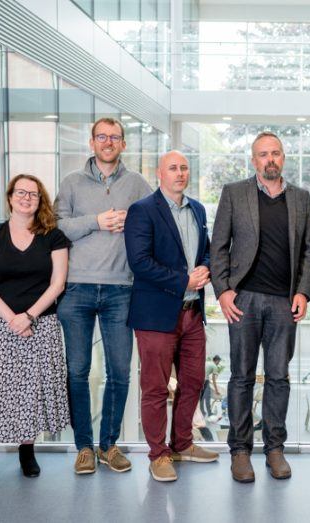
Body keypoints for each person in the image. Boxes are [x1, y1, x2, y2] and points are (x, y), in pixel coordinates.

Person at [210, 131, 310, 483]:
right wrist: (223, 290)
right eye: (262, 155)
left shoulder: (300, 198)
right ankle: (240, 451)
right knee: (240, 377)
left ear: (283, 157)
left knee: (278, 377)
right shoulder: (234, 193)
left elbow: (308, 251)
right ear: (253, 161)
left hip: (284, 302)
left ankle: (274, 449)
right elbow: (219, 247)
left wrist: (302, 292)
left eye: (275, 153)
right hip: (244, 300)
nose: (270, 160)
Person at [55, 117, 152, 475]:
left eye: (115, 137)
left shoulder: (138, 183)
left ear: (123, 144)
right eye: (102, 136)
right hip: (76, 288)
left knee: (120, 371)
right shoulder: (72, 182)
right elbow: (57, 226)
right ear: (92, 142)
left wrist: (134, 224)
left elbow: (154, 226)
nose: (108, 142)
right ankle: (84, 447)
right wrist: (98, 220)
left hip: (121, 289)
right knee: (78, 370)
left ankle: (109, 444)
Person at [0, 174, 70, 493]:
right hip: (1, 326)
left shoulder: (53, 236)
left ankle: (27, 452)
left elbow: (58, 284)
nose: (27, 198)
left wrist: (28, 316)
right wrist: (13, 319)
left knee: (32, 391)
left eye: (34, 194)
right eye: (21, 192)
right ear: (10, 196)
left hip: (42, 323)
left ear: (40, 201)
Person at [125, 150, 218, 483]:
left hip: (192, 313)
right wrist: (183, 281)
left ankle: (182, 444)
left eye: (184, 168)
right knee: (155, 388)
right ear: (159, 173)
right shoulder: (142, 211)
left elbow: (203, 248)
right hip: (156, 316)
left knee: (193, 382)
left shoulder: (197, 209)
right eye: (173, 168)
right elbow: (139, 262)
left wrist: (205, 266)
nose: (180, 173)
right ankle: (158, 454)